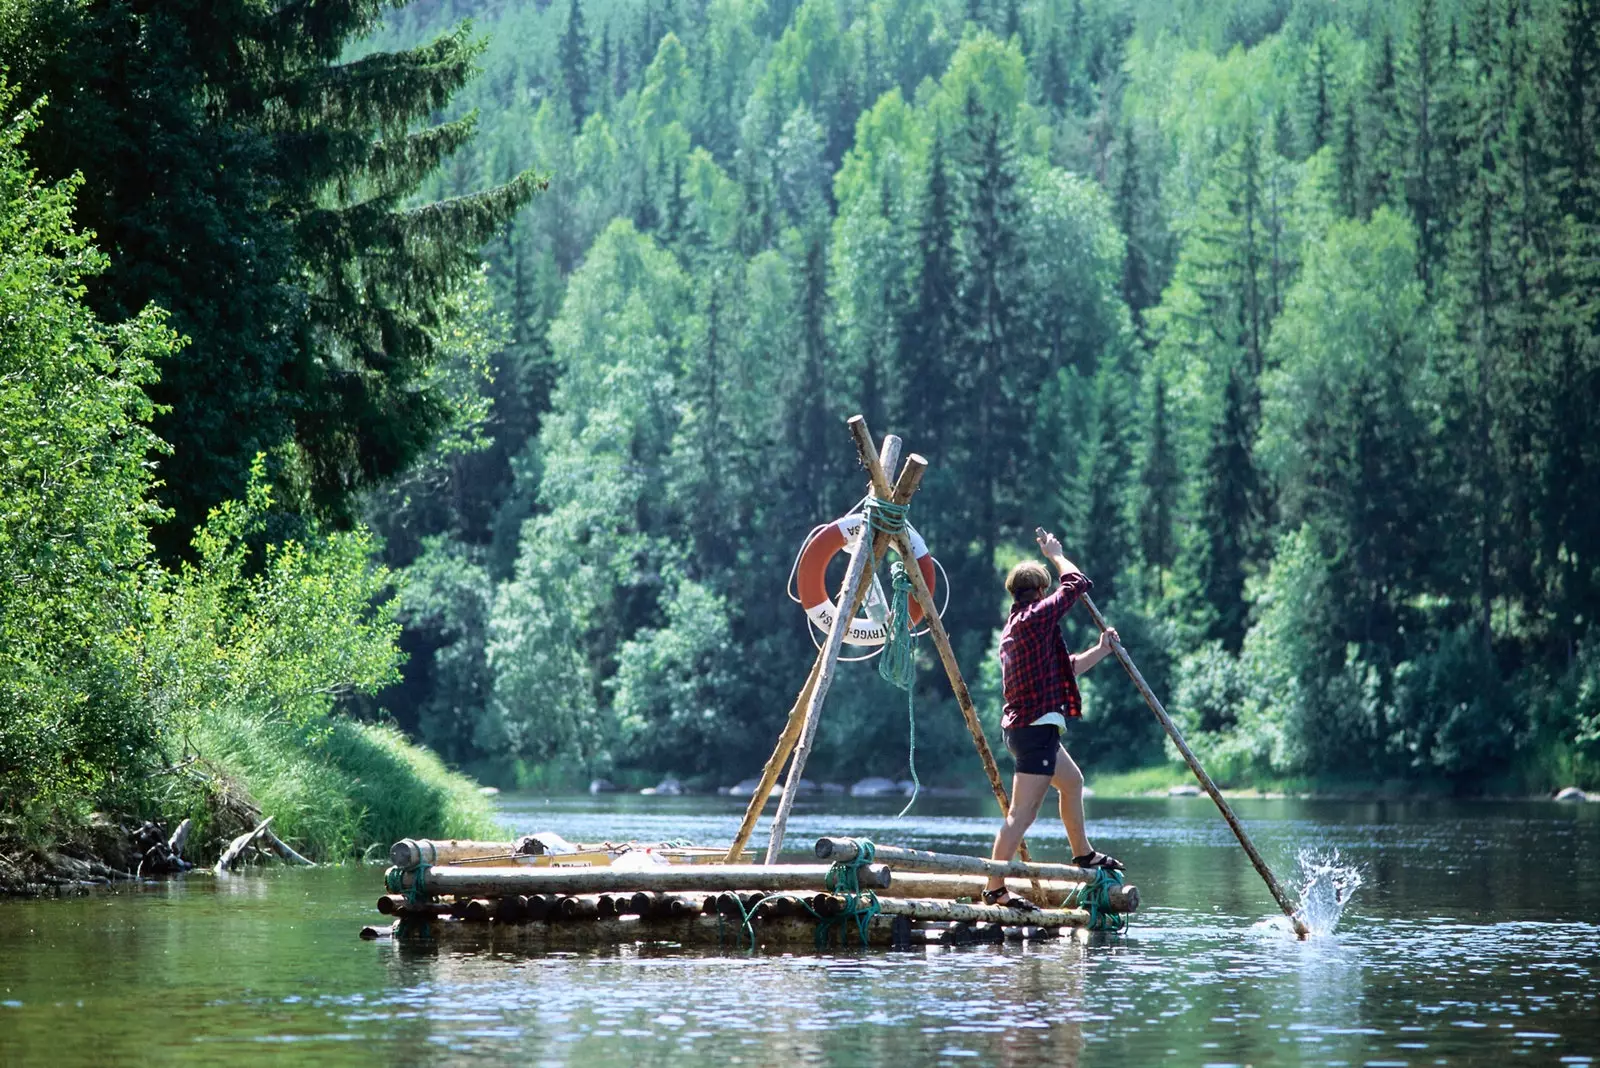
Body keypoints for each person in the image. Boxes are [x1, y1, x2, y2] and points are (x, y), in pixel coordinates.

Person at [983, 527, 1124, 911]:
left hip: (1030, 729)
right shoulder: (1034, 619)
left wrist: (1101, 650)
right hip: (1034, 730)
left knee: (1072, 782)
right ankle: (995, 888)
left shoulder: (1016, 627)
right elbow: (1077, 582)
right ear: (1041, 592)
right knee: (1022, 814)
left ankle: (1083, 854)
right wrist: (1056, 554)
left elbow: (1067, 669)